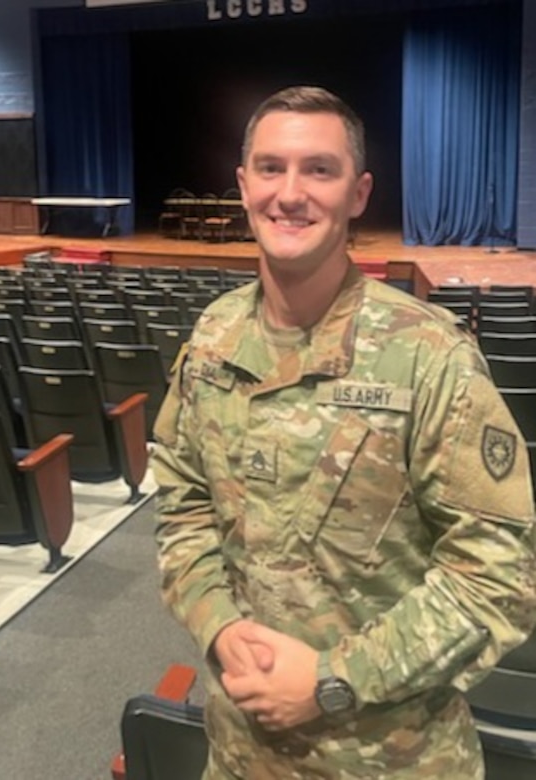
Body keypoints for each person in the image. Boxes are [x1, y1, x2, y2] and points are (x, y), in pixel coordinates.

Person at [152, 85, 536, 779]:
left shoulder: (429, 356)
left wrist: (335, 678)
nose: (289, 192)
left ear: (358, 194)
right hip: (240, 756)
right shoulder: (212, 340)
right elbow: (182, 505)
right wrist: (217, 624)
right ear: (242, 186)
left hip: (395, 762)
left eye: (318, 170)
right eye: (270, 168)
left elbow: (498, 578)